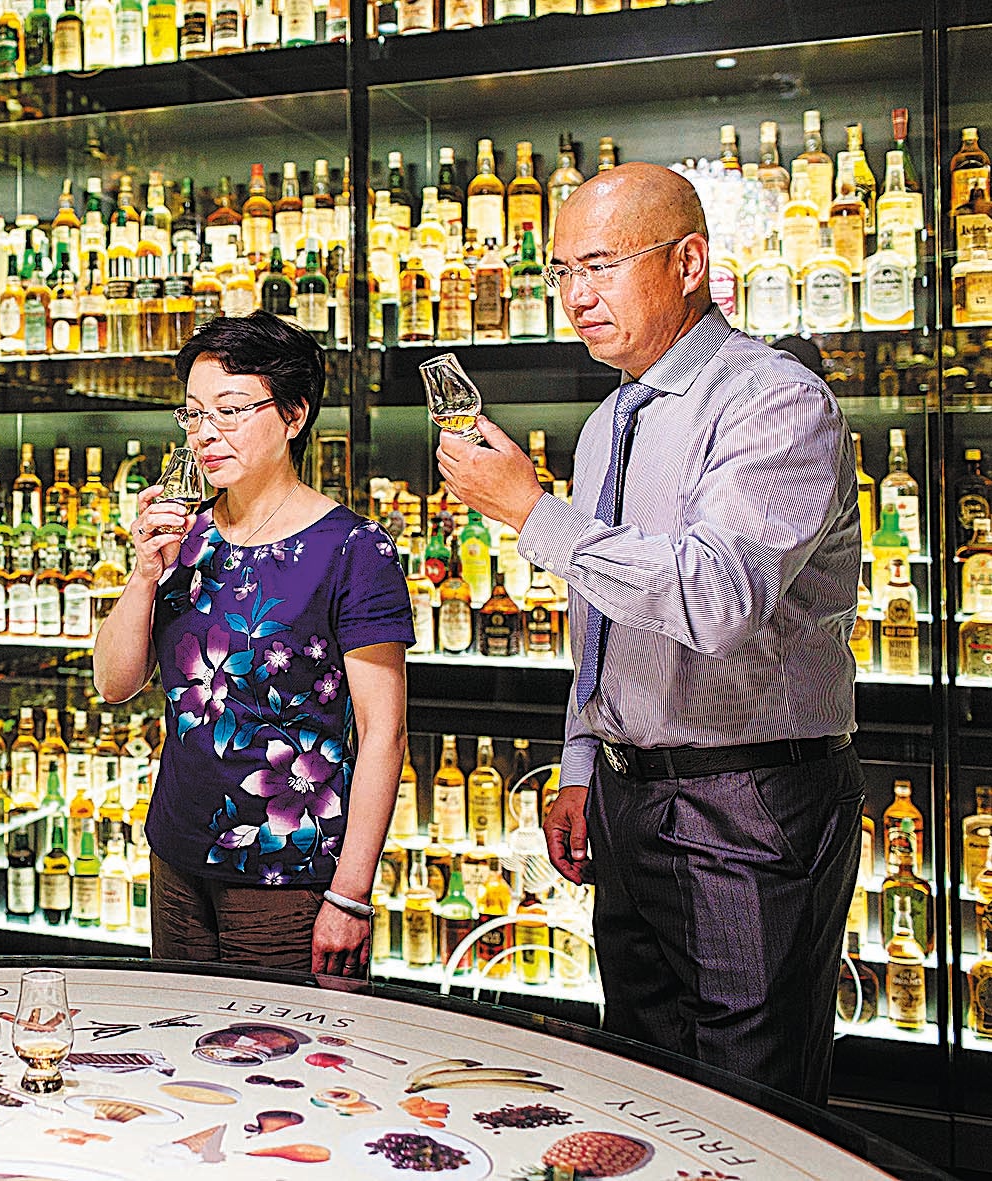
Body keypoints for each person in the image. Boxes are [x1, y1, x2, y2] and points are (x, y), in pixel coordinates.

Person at [436, 163, 862, 1104]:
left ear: (689, 262)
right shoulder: (608, 422)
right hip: (632, 801)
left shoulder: (773, 402)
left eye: (600, 265)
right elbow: (603, 618)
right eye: (559, 272)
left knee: (750, 1104)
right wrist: (583, 764)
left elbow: (718, 598)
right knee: (645, 1088)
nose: (575, 296)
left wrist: (530, 512)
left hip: (750, 798)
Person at [93, 311, 412, 978]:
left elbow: (385, 735)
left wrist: (351, 893)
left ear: (294, 415)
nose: (207, 433)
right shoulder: (185, 536)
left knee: (288, 1065)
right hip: (177, 854)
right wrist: (144, 573)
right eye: (193, 414)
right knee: (180, 1060)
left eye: (231, 410)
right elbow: (114, 683)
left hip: (289, 868)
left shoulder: (354, 550)